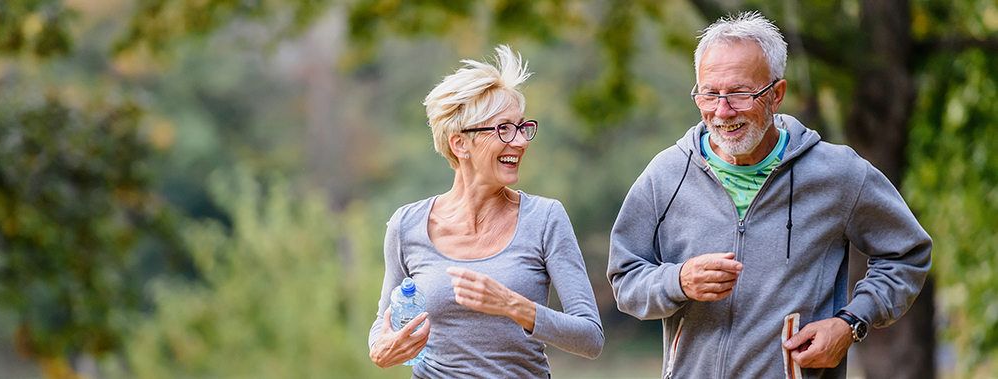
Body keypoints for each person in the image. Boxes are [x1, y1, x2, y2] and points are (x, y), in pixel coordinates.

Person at [606, 11, 931, 379]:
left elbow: (907, 253)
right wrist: (677, 281)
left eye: (740, 93)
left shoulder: (837, 174)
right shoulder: (666, 175)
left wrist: (850, 323)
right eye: (709, 93)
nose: (722, 111)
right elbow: (625, 279)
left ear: (776, 95)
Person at [368, 45, 604, 378]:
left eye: (522, 127)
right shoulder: (406, 226)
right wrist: (380, 348)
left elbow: (590, 338)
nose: (520, 141)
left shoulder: (545, 218)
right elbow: (383, 322)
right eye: (503, 128)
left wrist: (513, 306)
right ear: (460, 144)